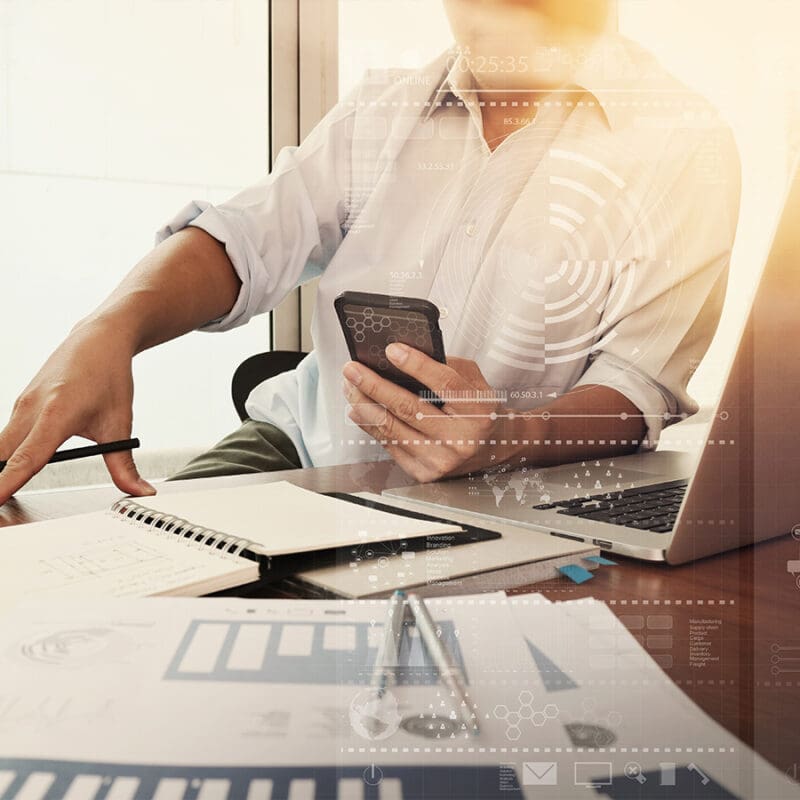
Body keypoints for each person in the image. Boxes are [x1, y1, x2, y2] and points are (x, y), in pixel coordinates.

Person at [0, 0, 740, 504]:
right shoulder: (380, 109)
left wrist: (514, 437)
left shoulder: (682, 143)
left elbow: (639, 384)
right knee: (147, 566)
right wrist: (109, 329)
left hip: (516, 494)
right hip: (301, 444)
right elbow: (245, 238)